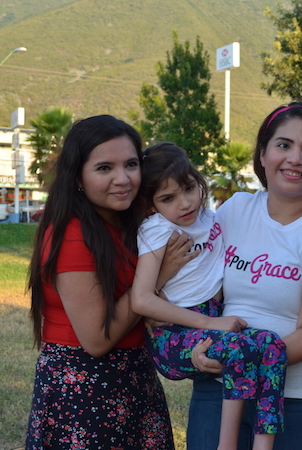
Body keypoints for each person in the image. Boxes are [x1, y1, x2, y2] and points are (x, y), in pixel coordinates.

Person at [187, 102, 302, 450]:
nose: (295, 158)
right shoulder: (235, 209)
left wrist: (241, 360)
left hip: (296, 400)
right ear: (263, 154)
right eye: (284, 145)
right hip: (219, 389)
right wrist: (198, 347)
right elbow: (202, 291)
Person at [25, 115, 185, 449]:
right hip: (84, 390)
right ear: (79, 177)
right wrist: (157, 275)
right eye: (104, 168)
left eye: (130, 164)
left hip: (134, 379)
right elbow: (96, 340)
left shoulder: (130, 223)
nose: (122, 179)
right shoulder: (72, 233)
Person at [131, 142, 287, 450]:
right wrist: (211, 323)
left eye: (189, 188)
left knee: (273, 346)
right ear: (151, 204)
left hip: (209, 321)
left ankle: (263, 445)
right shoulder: (158, 230)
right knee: (239, 349)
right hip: (173, 333)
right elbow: (141, 300)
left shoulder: (211, 218)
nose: (185, 203)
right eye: (168, 198)